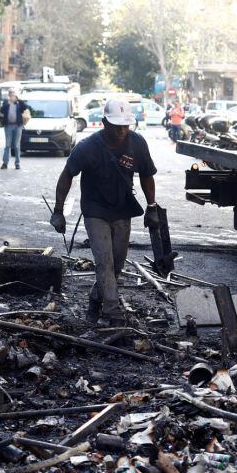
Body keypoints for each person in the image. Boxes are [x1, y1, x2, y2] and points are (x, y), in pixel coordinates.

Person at [50, 99, 158, 326]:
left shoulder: (137, 144)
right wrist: (58, 211)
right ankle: (113, 312)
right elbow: (67, 174)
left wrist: (152, 208)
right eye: (116, 125)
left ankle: (95, 299)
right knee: (104, 262)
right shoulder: (88, 147)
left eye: (126, 125)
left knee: (117, 264)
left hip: (122, 209)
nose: (122, 131)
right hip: (95, 210)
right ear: (104, 123)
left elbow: (147, 175)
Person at [0, 89, 28, 170]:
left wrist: (17, 100)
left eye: (13, 93)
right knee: (7, 145)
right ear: (8, 94)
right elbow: (2, 110)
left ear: (15, 94)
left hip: (18, 126)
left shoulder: (19, 102)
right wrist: (8, 104)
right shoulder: (6, 102)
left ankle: (17, 163)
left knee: (16, 145)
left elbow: (25, 108)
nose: (11, 94)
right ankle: (5, 163)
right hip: (8, 126)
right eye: (10, 93)